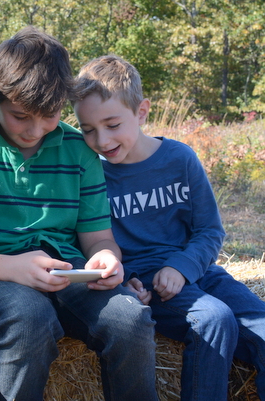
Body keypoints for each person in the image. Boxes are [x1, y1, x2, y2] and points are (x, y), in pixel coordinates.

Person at [0, 26, 159, 401]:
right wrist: (13, 268)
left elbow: (97, 237)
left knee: (130, 319)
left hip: (67, 273)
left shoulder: (79, 151)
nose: (34, 130)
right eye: (20, 116)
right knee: (29, 319)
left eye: (49, 116)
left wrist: (106, 259)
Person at [72, 54, 265, 401]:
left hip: (198, 271)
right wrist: (125, 281)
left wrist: (183, 266)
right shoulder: (91, 175)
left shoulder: (180, 158)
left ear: (142, 112)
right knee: (213, 319)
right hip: (148, 284)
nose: (101, 140)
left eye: (112, 125)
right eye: (88, 130)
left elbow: (210, 231)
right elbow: (91, 243)